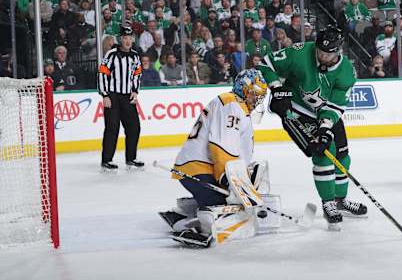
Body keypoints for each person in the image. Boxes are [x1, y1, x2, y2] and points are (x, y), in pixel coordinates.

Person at [257, 25, 367, 229]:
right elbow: (266, 64)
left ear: (338, 51)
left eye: (328, 53)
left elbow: (335, 106)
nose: (322, 56)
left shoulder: (346, 73)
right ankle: (328, 204)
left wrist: (325, 128)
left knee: (342, 154)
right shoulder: (300, 52)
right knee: (324, 153)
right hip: (295, 110)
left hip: (324, 112)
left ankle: (340, 201)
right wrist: (277, 89)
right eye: (320, 51)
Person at [159, 69, 268, 247]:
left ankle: (186, 212)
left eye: (259, 96)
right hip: (199, 170)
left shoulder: (236, 106)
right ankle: (185, 224)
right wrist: (230, 181)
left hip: (198, 168)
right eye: (254, 94)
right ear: (243, 89)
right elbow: (221, 147)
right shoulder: (231, 104)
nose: (256, 100)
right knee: (227, 212)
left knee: (232, 205)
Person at [97, 25, 144, 171]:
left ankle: (131, 158)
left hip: (128, 96)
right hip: (112, 96)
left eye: (130, 38)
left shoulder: (135, 56)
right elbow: (102, 73)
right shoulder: (111, 54)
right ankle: (106, 160)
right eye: (125, 38)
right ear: (120, 39)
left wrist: (135, 91)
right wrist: (105, 94)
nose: (128, 41)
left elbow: (137, 74)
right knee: (112, 128)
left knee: (134, 127)